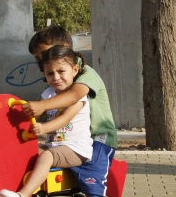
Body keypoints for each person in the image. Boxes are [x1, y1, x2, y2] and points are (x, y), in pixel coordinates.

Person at [24, 25, 117, 197]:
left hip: (97, 140)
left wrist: (43, 106)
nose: (41, 61)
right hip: (67, 142)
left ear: (65, 48)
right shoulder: (54, 82)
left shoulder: (85, 73)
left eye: (44, 54)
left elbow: (74, 96)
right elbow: (39, 109)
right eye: (38, 59)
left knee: (92, 184)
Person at [0, 45, 93, 197]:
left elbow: (64, 119)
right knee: (27, 152)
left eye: (61, 71)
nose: (56, 77)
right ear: (44, 74)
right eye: (50, 73)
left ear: (75, 70)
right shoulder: (48, 93)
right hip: (53, 145)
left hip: (76, 149)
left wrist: (44, 128)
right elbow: (37, 113)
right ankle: (13, 186)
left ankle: (23, 194)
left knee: (47, 156)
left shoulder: (77, 95)